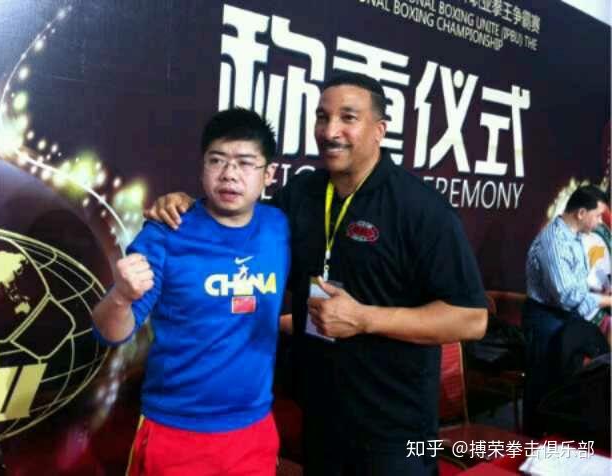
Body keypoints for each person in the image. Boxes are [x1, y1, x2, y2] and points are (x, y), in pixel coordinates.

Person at [145, 72, 488, 475]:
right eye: (323, 117)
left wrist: (365, 319)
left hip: (397, 430)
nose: (330, 131)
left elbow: (471, 319)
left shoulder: (421, 209)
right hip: (321, 418)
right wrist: (188, 206)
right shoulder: (302, 194)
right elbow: (237, 219)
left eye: (348, 118)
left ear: (379, 130)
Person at [92, 108, 290, 476]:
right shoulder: (166, 232)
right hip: (175, 430)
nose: (229, 174)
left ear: (269, 175)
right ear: (202, 167)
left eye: (245, 163)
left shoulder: (279, 226)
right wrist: (121, 296)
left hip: (253, 430)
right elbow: (110, 333)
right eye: (217, 160)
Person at [523, 185, 612, 436]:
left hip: (565, 319)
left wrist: (600, 294)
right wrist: (607, 302)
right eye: (598, 215)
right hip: (546, 320)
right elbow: (566, 295)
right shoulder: (554, 241)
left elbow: (575, 285)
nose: (600, 222)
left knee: (561, 386)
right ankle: (533, 444)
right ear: (581, 213)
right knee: (542, 385)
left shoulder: (574, 236)